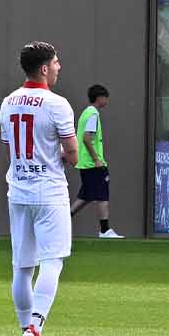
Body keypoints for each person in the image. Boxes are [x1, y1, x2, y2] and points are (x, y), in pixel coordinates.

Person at [3, 41, 79, 336]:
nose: (59, 67)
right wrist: (60, 156)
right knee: (52, 260)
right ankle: (36, 325)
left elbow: (10, 149)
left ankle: (25, 329)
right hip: (49, 191)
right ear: (45, 68)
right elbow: (73, 153)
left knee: (22, 267)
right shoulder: (57, 104)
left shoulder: (7, 102)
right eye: (56, 62)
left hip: (18, 191)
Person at [71, 84, 119, 238]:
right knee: (102, 195)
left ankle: (62, 220)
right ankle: (105, 230)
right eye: (105, 98)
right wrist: (97, 159)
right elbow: (87, 138)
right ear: (100, 98)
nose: (107, 101)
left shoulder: (86, 112)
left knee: (86, 196)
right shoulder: (93, 114)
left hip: (84, 163)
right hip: (93, 164)